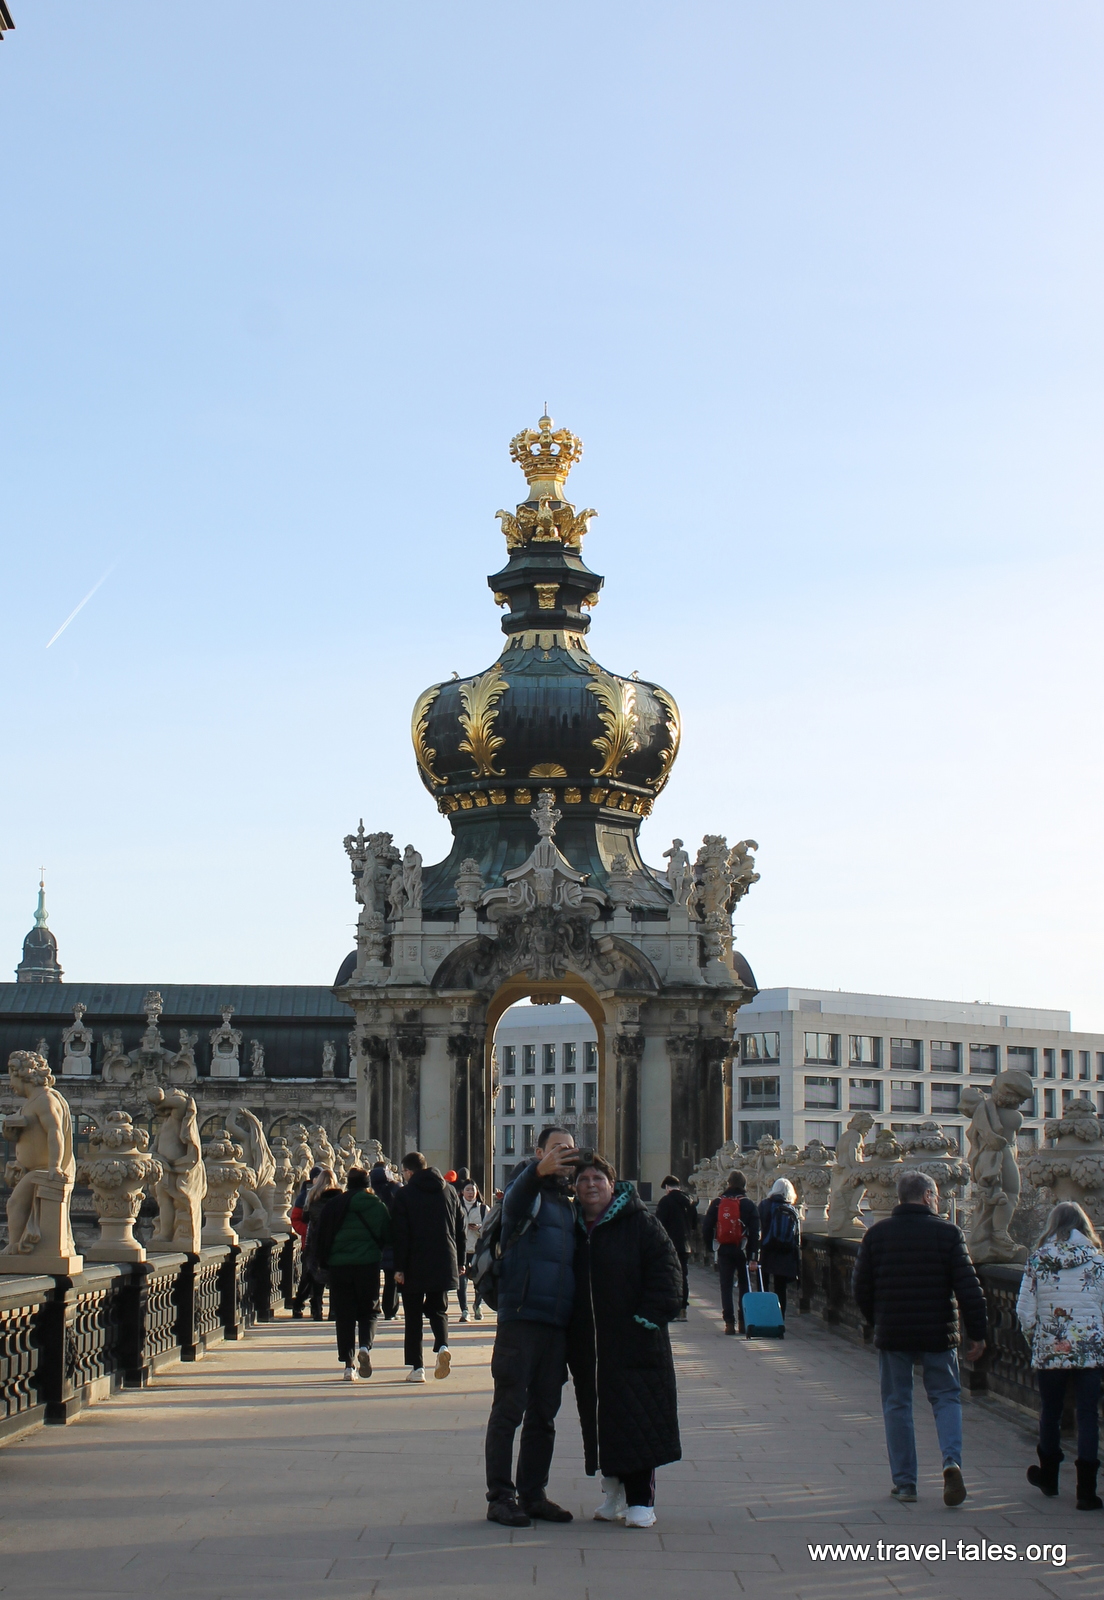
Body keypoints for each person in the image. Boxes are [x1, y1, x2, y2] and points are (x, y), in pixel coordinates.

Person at [853, 1169, 987, 1506]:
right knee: (945, 1397)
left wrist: (876, 1320)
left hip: (894, 1331)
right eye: (937, 1196)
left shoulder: (876, 1235)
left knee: (897, 1404)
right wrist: (979, 1334)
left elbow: (860, 1287)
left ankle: (906, 1483)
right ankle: (951, 1461)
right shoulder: (948, 1234)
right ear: (927, 1196)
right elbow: (970, 1290)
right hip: (938, 1331)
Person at [569, 1151, 683, 1528]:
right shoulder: (573, 1227)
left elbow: (668, 1272)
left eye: (597, 1179)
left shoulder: (640, 1223)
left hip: (635, 1340)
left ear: (611, 1183)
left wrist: (646, 1320)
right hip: (593, 1345)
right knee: (603, 1420)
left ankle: (641, 1500)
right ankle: (612, 1491)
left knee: (638, 1418)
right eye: (583, 1180)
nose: (590, 1186)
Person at [485, 1125, 578, 1528]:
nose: (564, 1156)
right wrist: (537, 1171)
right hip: (521, 1317)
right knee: (509, 1409)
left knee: (545, 1414)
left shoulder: (570, 1205)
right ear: (538, 1152)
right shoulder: (526, 1194)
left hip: (555, 1323)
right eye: (556, 1149)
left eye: (570, 1150)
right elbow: (516, 1197)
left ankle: (533, 1493)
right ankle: (500, 1497)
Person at [1016, 1200, 1104, 1511]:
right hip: (1090, 1349)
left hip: (1051, 1347)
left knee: (1050, 1412)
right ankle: (1086, 1492)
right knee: (1088, 1416)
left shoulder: (1038, 1260)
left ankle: (1050, 1477)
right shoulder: (1097, 1261)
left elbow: (1025, 1311)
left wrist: (1037, 1341)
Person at [391, 1152, 465, 1384]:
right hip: (443, 1259)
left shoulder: (404, 1195)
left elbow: (400, 1235)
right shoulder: (449, 1191)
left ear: (410, 1171)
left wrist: (399, 1267)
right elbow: (460, 1228)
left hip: (414, 1262)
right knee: (438, 1309)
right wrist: (460, 1261)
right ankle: (442, 1347)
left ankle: (417, 1368)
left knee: (413, 1316)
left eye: (403, 1172)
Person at [312, 1167, 392, 1380]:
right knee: (370, 1310)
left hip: (339, 1266)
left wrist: (322, 1262)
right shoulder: (377, 1206)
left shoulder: (335, 1204)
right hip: (368, 1264)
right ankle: (365, 1346)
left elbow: (322, 1235)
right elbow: (387, 1234)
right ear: (368, 1184)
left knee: (344, 1314)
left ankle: (348, 1365)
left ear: (348, 1183)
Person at [702, 1170, 760, 1335]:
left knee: (726, 1286)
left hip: (724, 1249)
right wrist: (753, 1256)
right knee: (744, 1285)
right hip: (743, 1248)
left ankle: (729, 1322)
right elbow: (755, 1232)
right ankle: (743, 1321)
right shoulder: (748, 1204)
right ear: (744, 1185)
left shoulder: (718, 1202)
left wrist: (711, 1246)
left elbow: (706, 1227)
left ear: (728, 1183)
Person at [300, 1168, 343, 1320]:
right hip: (334, 1240)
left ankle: (316, 1310)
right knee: (334, 1277)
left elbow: (305, 1217)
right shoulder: (340, 1197)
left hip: (315, 1239)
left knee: (316, 1275)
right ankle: (333, 1311)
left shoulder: (312, 1195)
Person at [757, 1178, 802, 1320]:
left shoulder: (765, 1205)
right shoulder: (792, 1209)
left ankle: (764, 1317)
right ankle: (779, 1319)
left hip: (767, 1249)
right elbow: (797, 1236)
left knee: (763, 1285)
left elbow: (759, 1227)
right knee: (780, 1289)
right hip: (785, 1252)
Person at [655, 1175, 698, 1320]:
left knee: (669, 1276)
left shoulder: (665, 1201)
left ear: (667, 1187)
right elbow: (694, 1224)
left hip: (669, 1245)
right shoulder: (690, 1201)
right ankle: (682, 1309)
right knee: (683, 1276)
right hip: (685, 1245)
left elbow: (659, 1225)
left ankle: (672, 1309)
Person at [290, 1166, 324, 1319]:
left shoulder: (326, 1195)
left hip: (322, 1244)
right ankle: (299, 1304)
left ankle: (317, 1308)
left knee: (319, 1278)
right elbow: (295, 1219)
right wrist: (307, 1230)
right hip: (308, 1244)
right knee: (308, 1277)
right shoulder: (304, 1196)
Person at [369, 1161, 402, 1320]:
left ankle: (372, 1307)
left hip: (372, 1241)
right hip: (393, 1240)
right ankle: (390, 1310)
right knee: (391, 1279)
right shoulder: (396, 1191)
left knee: (372, 1278)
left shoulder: (370, 1194)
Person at [457, 1180, 489, 1323]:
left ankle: (478, 1305)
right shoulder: (456, 1207)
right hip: (462, 1250)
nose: (470, 1192)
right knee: (461, 1282)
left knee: (479, 1281)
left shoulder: (483, 1209)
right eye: (467, 1189)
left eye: (472, 1190)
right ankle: (464, 1310)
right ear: (462, 1191)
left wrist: (479, 1228)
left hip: (478, 1250)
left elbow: (490, 1229)